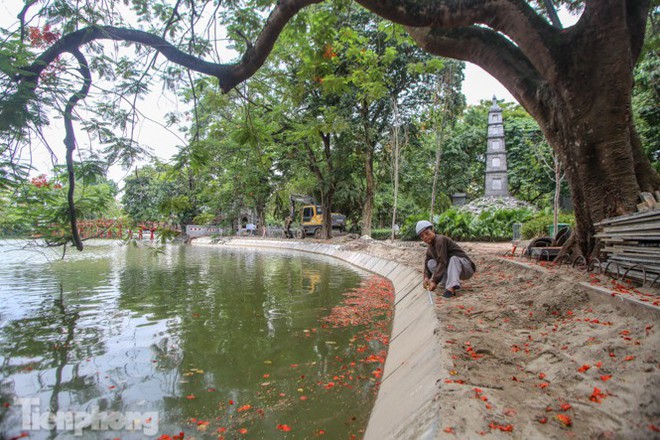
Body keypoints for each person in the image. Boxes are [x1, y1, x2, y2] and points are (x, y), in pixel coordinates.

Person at [417, 220, 476, 299]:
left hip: (466, 268)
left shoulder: (440, 240)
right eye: (422, 236)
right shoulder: (430, 249)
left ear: (433, 230)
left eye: (427, 233)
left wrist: (434, 282)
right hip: (452, 269)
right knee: (430, 263)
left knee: (454, 259)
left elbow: (442, 261)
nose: (425, 237)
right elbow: (427, 264)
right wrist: (426, 278)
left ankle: (451, 288)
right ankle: (447, 283)